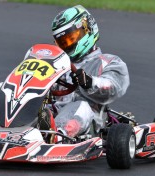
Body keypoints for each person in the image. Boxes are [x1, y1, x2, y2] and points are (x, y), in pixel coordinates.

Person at [38, 5, 130, 141]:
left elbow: (114, 85)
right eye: (62, 42)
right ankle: (5, 126)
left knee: (81, 106)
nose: (67, 45)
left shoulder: (108, 61)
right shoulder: (56, 63)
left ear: (87, 29)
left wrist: (89, 82)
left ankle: (59, 135)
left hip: (89, 120)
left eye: (70, 39)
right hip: (54, 112)